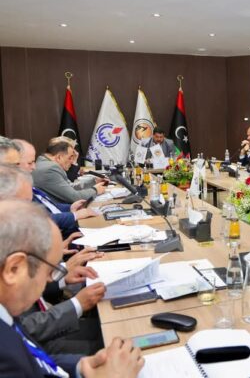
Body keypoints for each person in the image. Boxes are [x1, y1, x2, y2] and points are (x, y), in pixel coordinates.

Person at [0, 200, 144, 377]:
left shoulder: (6, 315)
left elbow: (35, 361)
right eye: (51, 271)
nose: (50, 281)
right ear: (14, 269)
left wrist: (80, 366)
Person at [13, 139, 97, 238]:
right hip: (54, 235)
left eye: (34, 162)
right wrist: (75, 215)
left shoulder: (24, 181)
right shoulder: (13, 191)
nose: (34, 167)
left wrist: (70, 208)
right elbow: (38, 220)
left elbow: (47, 205)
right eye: (30, 163)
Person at [33, 140, 106, 204]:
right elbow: (74, 197)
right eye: (70, 157)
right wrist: (95, 190)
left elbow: (71, 187)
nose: (72, 161)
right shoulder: (50, 168)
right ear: (59, 157)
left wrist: (94, 181)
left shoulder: (45, 163)